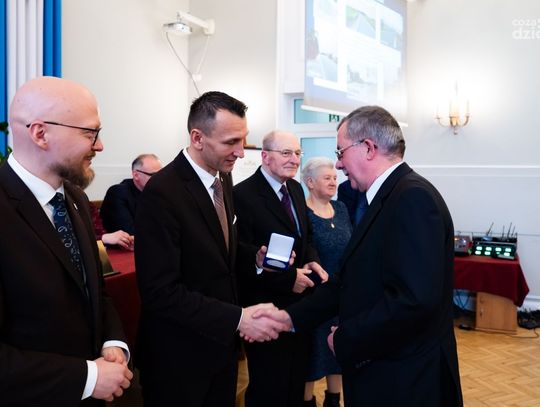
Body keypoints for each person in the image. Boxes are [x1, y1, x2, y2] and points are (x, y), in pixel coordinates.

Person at [254, 106, 463, 406]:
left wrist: (345, 338)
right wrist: (289, 318)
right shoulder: (385, 195)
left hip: (406, 381)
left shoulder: (412, 198)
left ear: (368, 148)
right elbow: (347, 281)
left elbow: (413, 301)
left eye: (341, 152)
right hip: (386, 373)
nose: (339, 164)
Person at [135, 91, 286, 407]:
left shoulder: (222, 178)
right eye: (231, 142)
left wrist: (254, 258)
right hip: (179, 357)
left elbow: (217, 251)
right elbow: (160, 292)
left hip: (219, 346)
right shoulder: (162, 192)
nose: (241, 152)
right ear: (197, 137)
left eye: (243, 139)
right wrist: (238, 319)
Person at [0, 76, 133, 406]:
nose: (100, 146)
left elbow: (95, 291)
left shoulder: (75, 199)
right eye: (90, 133)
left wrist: (113, 342)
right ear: (40, 134)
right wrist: (87, 378)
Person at [233, 130, 328, 407]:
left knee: (295, 383)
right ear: (265, 156)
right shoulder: (242, 195)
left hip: (300, 307)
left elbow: (306, 237)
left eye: (297, 153)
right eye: (286, 153)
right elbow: (239, 255)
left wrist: (312, 260)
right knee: (269, 387)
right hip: (265, 310)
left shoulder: (295, 189)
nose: (294, 160)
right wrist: (288, 279)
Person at [300, 157, 352, 407]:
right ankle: (307, 402)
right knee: (312, 357)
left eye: (334, 178)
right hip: (315, 297)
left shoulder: (341, 208)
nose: (333, 182)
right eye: (327, 178)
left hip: (342, 297)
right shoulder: (302, 212)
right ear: (310, 182)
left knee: (337, 353)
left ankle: (333, 400)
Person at [100, 153, 162, 235]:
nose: (160, 179)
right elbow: (130, 232)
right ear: (136, 175)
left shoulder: (159, 194)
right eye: (154, 175)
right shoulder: (118, 193)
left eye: (161, 174)